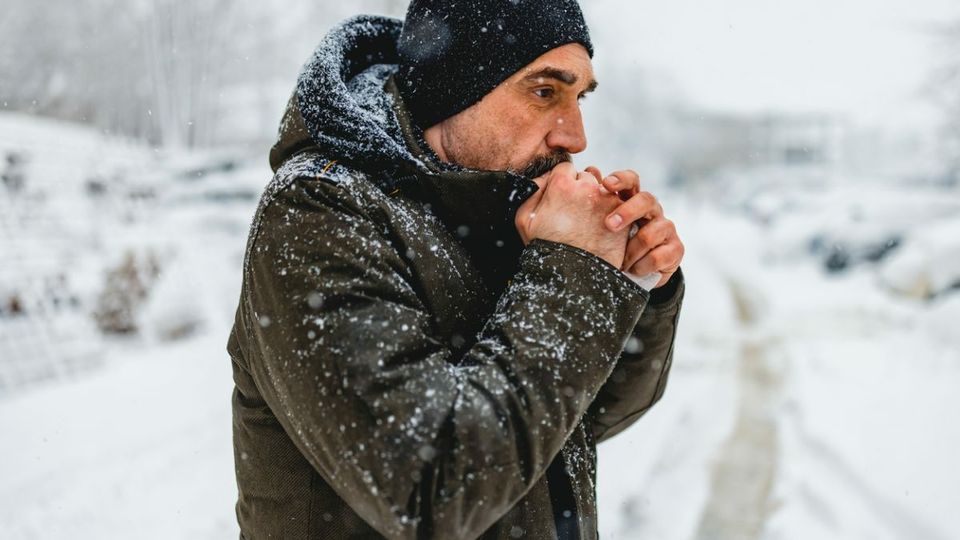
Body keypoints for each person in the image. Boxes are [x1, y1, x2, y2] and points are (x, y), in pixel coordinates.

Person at [227, 1, 685, 538]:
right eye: (545, 92)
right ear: (455, 88)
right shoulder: (320, 212)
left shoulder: (497, 205)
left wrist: (628, 281)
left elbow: (582, 420)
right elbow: (430, 489)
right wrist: (573, 267)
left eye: (578, 96)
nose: (575, 136)